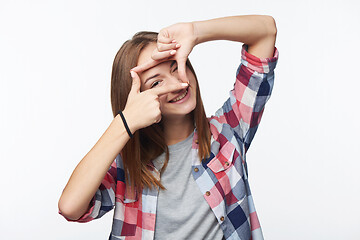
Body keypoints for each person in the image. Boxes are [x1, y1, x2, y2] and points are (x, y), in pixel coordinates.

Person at [58, 15, 279, 240]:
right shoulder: (127, 164)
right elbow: (70, 207)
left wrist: (196, 31)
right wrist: (126, 121)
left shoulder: (229, 131)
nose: (177, 84)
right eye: (156, 82)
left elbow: (266, 31)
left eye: (176, 67)